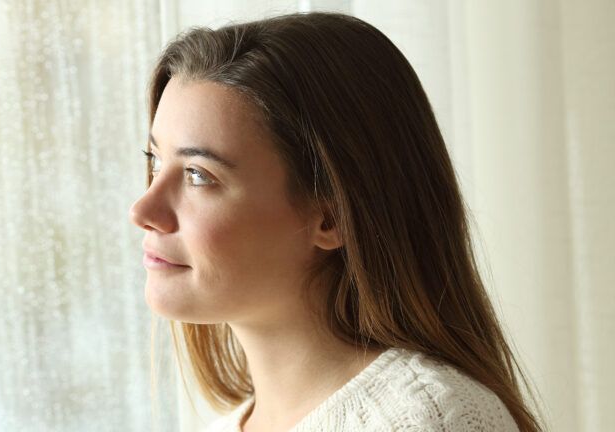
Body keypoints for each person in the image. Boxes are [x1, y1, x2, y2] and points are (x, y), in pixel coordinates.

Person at [128, 11, 544, 432]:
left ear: (331, 216)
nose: (143, 210)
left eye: (199, 175)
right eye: (155, 161)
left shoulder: (429, 420)